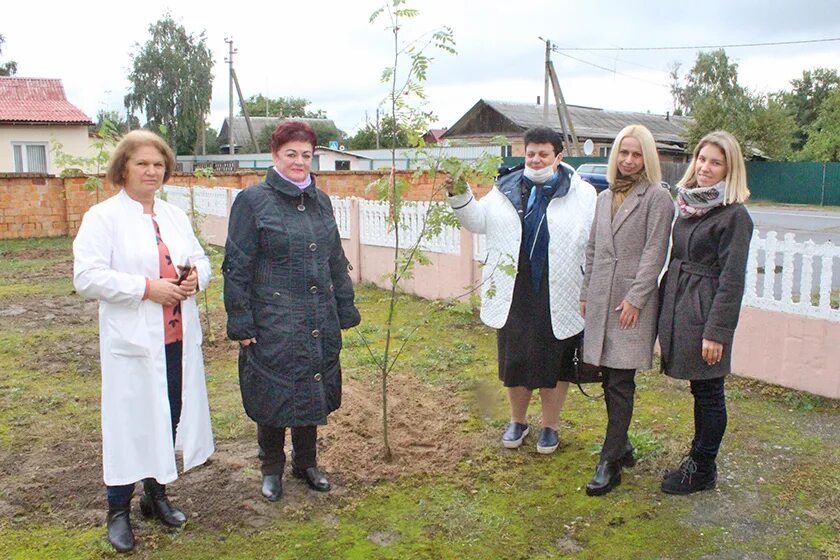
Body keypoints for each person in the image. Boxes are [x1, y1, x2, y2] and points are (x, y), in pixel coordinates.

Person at [73, 130, 215, 553]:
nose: (152, 171)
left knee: (168, 415)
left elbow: (201, 259)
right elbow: (87, 277)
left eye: (158, 164)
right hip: (133, 343)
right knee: (128, 423)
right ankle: (117, 510)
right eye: (142, 164)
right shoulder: (102, 218)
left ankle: (156, 495)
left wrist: (194, 279)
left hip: (175, 338)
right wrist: (145, 288)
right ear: (123, 169)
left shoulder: (173, 216)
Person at [223, 121, 360, 502]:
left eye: (306, 155)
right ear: (275, 156)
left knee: (311, 386)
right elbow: (237, 264)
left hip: (317, 314)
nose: (300, 162)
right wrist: (241, 319)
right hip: (274, 319)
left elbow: (335, 258)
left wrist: (345, 307)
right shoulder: (252, 202)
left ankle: (306, 463)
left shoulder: (322, 201)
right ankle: (271, 469)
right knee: (273, 391)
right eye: (291, 154)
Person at [445, 126, 596, 454]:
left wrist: (590, 287)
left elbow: (592, 242)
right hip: (514, 291)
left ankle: (551, 426)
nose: (536, 159)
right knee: (516, 362)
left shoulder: (581, 194)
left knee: (555, 362)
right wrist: (460, 194)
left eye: (544, 154)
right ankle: (517, 420)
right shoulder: (505, 188)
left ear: (558, 157)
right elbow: (477, 221)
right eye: (531, 153)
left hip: (560, 289)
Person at [579, 125, 675, 496]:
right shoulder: (604, 198)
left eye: (637, 154)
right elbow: (593, 247)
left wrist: (636, 298)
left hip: (631, 302)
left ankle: (610, 461)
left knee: (620, 379)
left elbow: (655, 253)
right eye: (624, 153)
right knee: (607, 374)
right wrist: (587, 292)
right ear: (615, 155)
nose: (629, 160)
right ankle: (624, 444)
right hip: (602, 297)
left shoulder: (657, 198)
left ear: (647, 157)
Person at [658, 130, 754, 495]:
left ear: (730, 169)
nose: (706, 168)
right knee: (701, 389)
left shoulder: (734, 216)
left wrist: (717, 332)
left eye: (716, 162)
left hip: (706, 308)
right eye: (702, 159)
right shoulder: (689, 205)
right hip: (681, 303)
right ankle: (698, 456)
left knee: (710, 390)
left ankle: (704, 466)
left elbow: (732, 280)